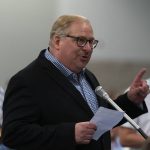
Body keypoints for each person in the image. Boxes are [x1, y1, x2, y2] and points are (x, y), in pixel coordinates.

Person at [1, 14, 149, 150]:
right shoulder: (27, 80)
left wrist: (131, 100)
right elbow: (13, 134)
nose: (88, 48)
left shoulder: (87, 76)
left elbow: (98, 122)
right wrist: (70, 134)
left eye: (91, 42)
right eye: (81, 41)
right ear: (57, 41)